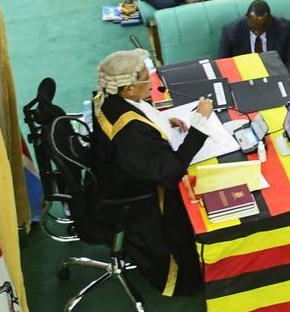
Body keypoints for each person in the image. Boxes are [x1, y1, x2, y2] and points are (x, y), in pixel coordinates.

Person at [91, 49, 216, 295]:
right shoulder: (132, 133)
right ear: (127, 89)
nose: (151, 82)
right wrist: (201, 122)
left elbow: (140, 118)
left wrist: (163, 122)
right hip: (138, 198)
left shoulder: (107, 99)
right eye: (145, 80)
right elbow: (171, 171)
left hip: (117, 174)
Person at [217, 0, 290, 77]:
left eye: (262, 28)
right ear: (247, 18)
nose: (257, 32)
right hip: (245, 78)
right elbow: (222, 65)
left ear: (270, 19)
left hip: (277, 75)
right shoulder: (231, 31)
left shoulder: (283, 28)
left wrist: (281, 79)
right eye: (253, 28)